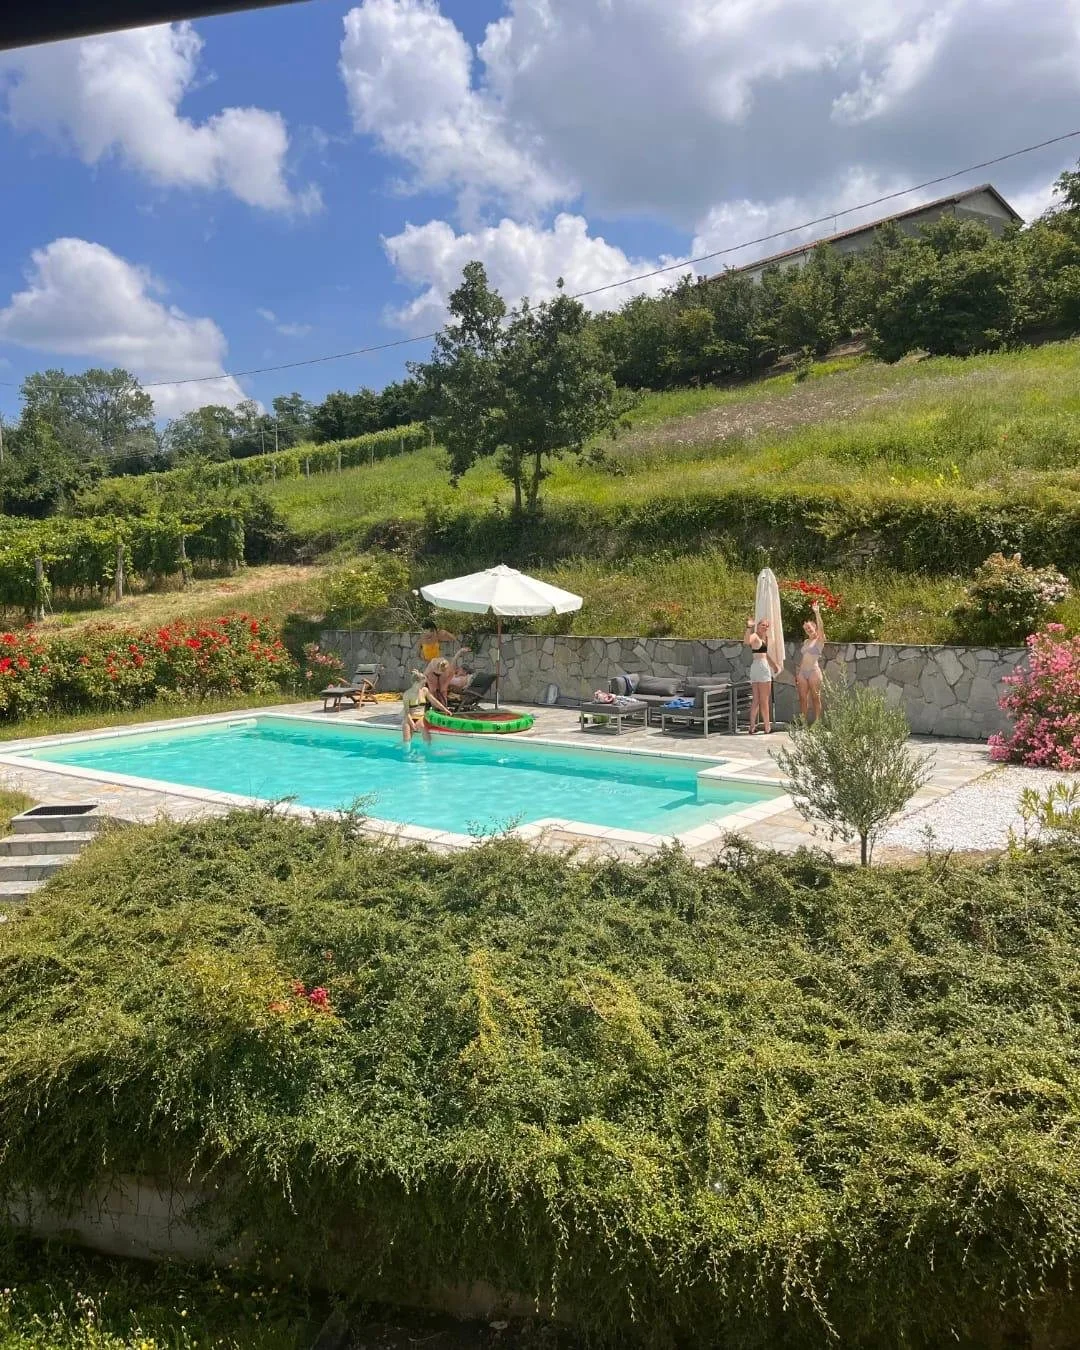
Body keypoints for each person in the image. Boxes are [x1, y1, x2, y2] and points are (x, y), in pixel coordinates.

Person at [743, 616, 781, 734]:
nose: (765, 627)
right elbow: (746, 642)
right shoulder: (755, 636)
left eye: (767, 626)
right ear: (758, 625)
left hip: (755, 667)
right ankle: (767, 727)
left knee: (756, 699)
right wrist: (749, 627)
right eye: (763, 625)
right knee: (764, 699)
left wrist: (774, 665)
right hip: (761, 667)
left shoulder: (764, 638)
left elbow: (765, 654)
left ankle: (752, 726)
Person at [401, 669, 449, 744]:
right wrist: (411, 723)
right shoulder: (407, 695)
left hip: (420, 717)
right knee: (407, 739)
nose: (424, 685)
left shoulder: (424, 691)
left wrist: (445, 710)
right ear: (416, 683)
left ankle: (427, 749)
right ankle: (405, 749)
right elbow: (407, 712)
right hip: (409, 717)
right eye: (422, 683)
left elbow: (434, 701)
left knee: (424, 730)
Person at [796, 600, 825, 723]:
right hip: (803, 672)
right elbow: (804, 658)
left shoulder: (819, 640)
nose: (808, 629)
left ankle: (817, 722)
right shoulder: (806, 642)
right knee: (802, 698)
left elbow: (821, 628)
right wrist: (799, 672)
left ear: (814, 627)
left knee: (815, 697)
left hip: (813, 671)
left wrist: (817, 613)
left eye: (810, 627)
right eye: (806, 628)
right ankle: (803, 722)